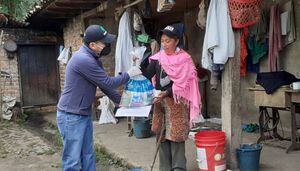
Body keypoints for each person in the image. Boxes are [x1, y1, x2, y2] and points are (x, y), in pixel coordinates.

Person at [56, 25, 141, 171]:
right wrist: (128, 74)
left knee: (88, 154)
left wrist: (124, 103)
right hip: (71, 116)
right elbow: (108, 82)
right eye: (103, 42)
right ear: (92, 45)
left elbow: (104, 87)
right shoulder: (83, 59)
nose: (106, 45)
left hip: (82, 114)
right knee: (73, 161)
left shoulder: (95, 59)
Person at [140, 25, 201, 171]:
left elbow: (185, 83)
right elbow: (148, 76)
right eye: (162, 41)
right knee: (161, 134)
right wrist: (139, 66)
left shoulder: (185, 59)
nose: (164, 44)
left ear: (177, 41)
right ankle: (165, 167)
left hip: (177, 102)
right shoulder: (157, 58)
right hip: (160, 102)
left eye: (168, 41)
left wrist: (167, 93)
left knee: (176, 134)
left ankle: (179, 167)